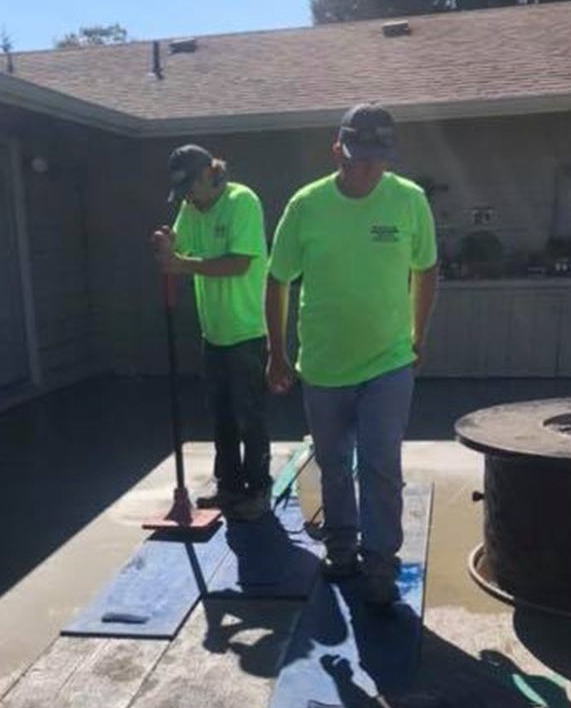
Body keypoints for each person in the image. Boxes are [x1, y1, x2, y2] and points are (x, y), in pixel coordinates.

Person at [266, 103, 438, 604]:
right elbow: (277, 280)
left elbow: (426, 268)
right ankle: (341, 547)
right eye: (357, 156)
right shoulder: (307, 205)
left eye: (376, 158)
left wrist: (418, 335)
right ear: (336, 150)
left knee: (381, 464)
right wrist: (276, 352)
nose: (366, 168)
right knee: (334, 463)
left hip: (389, 361)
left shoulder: (409, 200)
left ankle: (381, 564)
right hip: (324, 366)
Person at [153, 145, 271, 521]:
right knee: (221, 415)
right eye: (182, 192)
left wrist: (180, 264)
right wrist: (168, 245)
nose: (187, 197)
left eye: (190, 187)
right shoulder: (192, 208)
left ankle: (259, 490)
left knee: (249, 416)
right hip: (214, 331)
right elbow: (180, 246)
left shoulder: (242, 202)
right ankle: (229, 486)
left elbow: (239, 263)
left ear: (209, 173)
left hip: (247, 330)